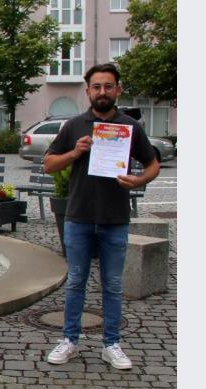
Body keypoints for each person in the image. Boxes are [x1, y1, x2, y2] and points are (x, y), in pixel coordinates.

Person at [43, 63, 159, 370]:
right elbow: (49, 164)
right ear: (88, 91)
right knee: (76, 282)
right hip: (78, 217)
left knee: (113, 285)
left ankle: (112, 344)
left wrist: (138, 181)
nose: (102, 92)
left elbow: (152, 164)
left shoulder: (129, 127)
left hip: (114, 219)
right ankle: (69, 340)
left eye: (108, 86)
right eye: (97, 87)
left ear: (118, 90)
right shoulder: (74, 125)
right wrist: (74, 153)